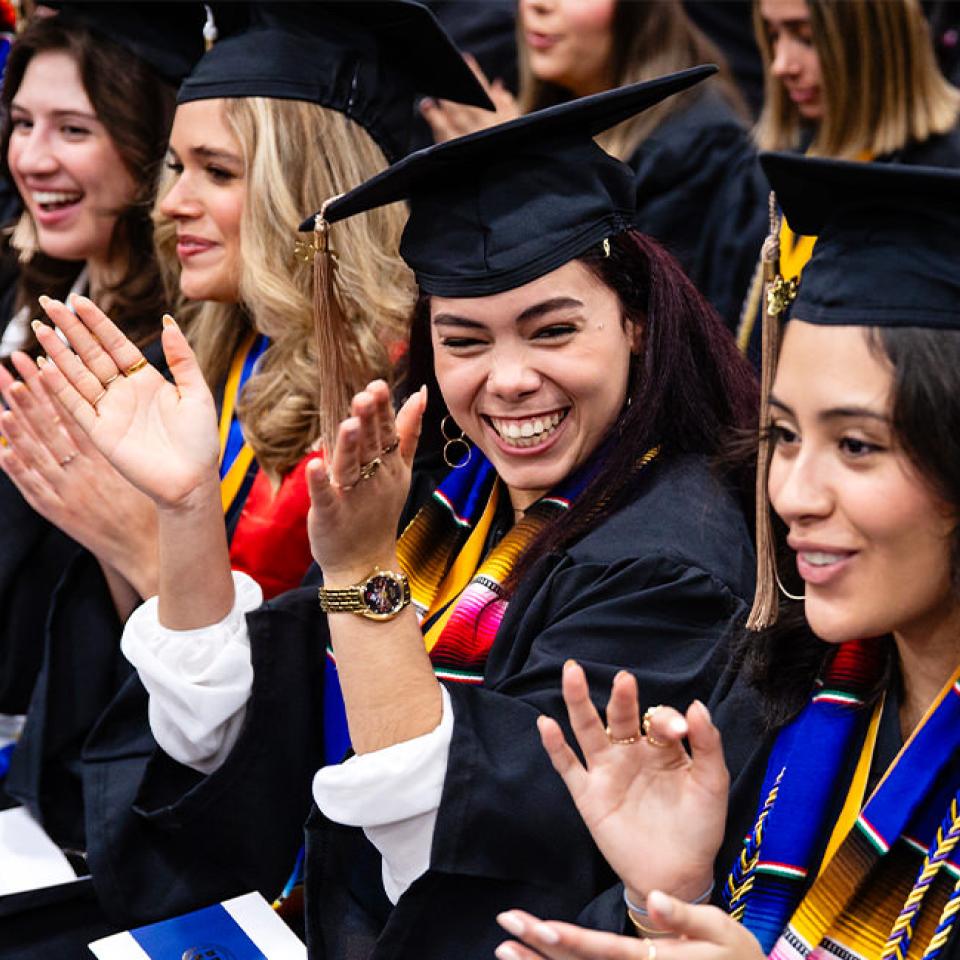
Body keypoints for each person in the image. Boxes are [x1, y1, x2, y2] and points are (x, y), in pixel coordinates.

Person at [38, 70, 758, 955]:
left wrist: (358, 574)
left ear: (637, 322)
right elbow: (245, 726)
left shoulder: (667, 561)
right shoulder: (451, 503)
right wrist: (185, 506)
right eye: (464, 339)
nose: (508, 378)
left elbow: (459, 845)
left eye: (554, 330)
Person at [0, 3, 491, 955]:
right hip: (189, 824)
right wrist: (128, 542)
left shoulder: (408, 412)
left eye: (215, 173)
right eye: (176, 167)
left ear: (310, 194)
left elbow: (319, 701)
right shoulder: (229, 364)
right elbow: (171, 695)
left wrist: (146, 544)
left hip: (332, 872)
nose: (169, 201)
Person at [494, 156, 960, 960]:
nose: (793, 494)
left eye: (856, 445)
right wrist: (667, 895)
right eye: (782, 436)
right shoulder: (771, 696)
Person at [0, 2, 206, 718]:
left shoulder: (182, 365)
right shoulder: (28, 299)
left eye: (73, 130)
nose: (31, 157)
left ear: (153, 138)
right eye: (22, 123)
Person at [421, 0, 769, 332]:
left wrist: (516, 170)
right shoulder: (547, 101)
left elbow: (643, 317)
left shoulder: (696, 145)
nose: (537, 5)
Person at [738, 0, 960, 365]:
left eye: (807, 38)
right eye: (774, 36)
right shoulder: (790, 164)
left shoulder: (941, 177)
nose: (781, 65)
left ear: (876, 37)